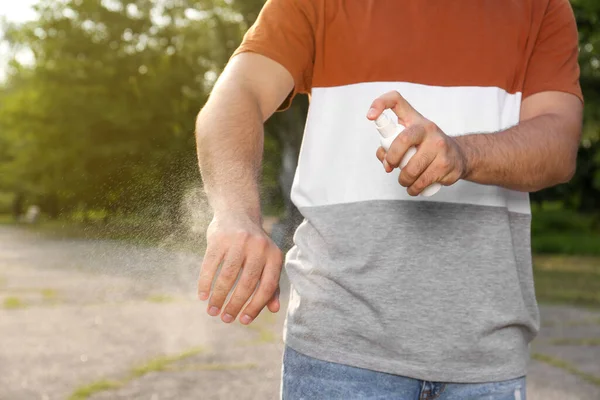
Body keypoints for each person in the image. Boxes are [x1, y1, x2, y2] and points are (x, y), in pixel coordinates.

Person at [195, 0, 583, 398]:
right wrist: (236, 214)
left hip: (486, 354)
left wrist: (465, 154)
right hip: (338, 350)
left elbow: (559, 143)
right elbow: (235, 95)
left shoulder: (543, 6)